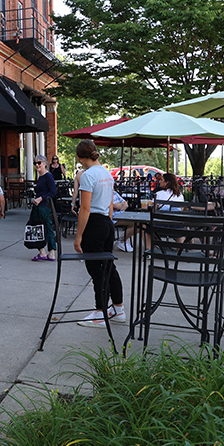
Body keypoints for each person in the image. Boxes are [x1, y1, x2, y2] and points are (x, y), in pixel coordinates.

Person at [73, 140, 127, 328]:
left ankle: (100, 312)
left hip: (94, 224)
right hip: (106, 222)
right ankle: (118, 309)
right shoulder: (106, 173)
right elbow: (110, 204)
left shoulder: (88, 175)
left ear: (80, 157)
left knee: (97, 270)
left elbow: (85, 208)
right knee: (109, 267)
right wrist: (109, 223)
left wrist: (78, 236)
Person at [31, 155, 57, 261]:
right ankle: (43, 251)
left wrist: (41, 198)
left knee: (45, 227)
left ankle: (50, 252)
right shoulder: (41, 177)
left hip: (44, 206)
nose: (37, 165)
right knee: (36, 228)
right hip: (39, 206)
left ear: (45, 164)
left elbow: (53, 192)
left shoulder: (48, 176)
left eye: (39, 163)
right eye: (35, 163)